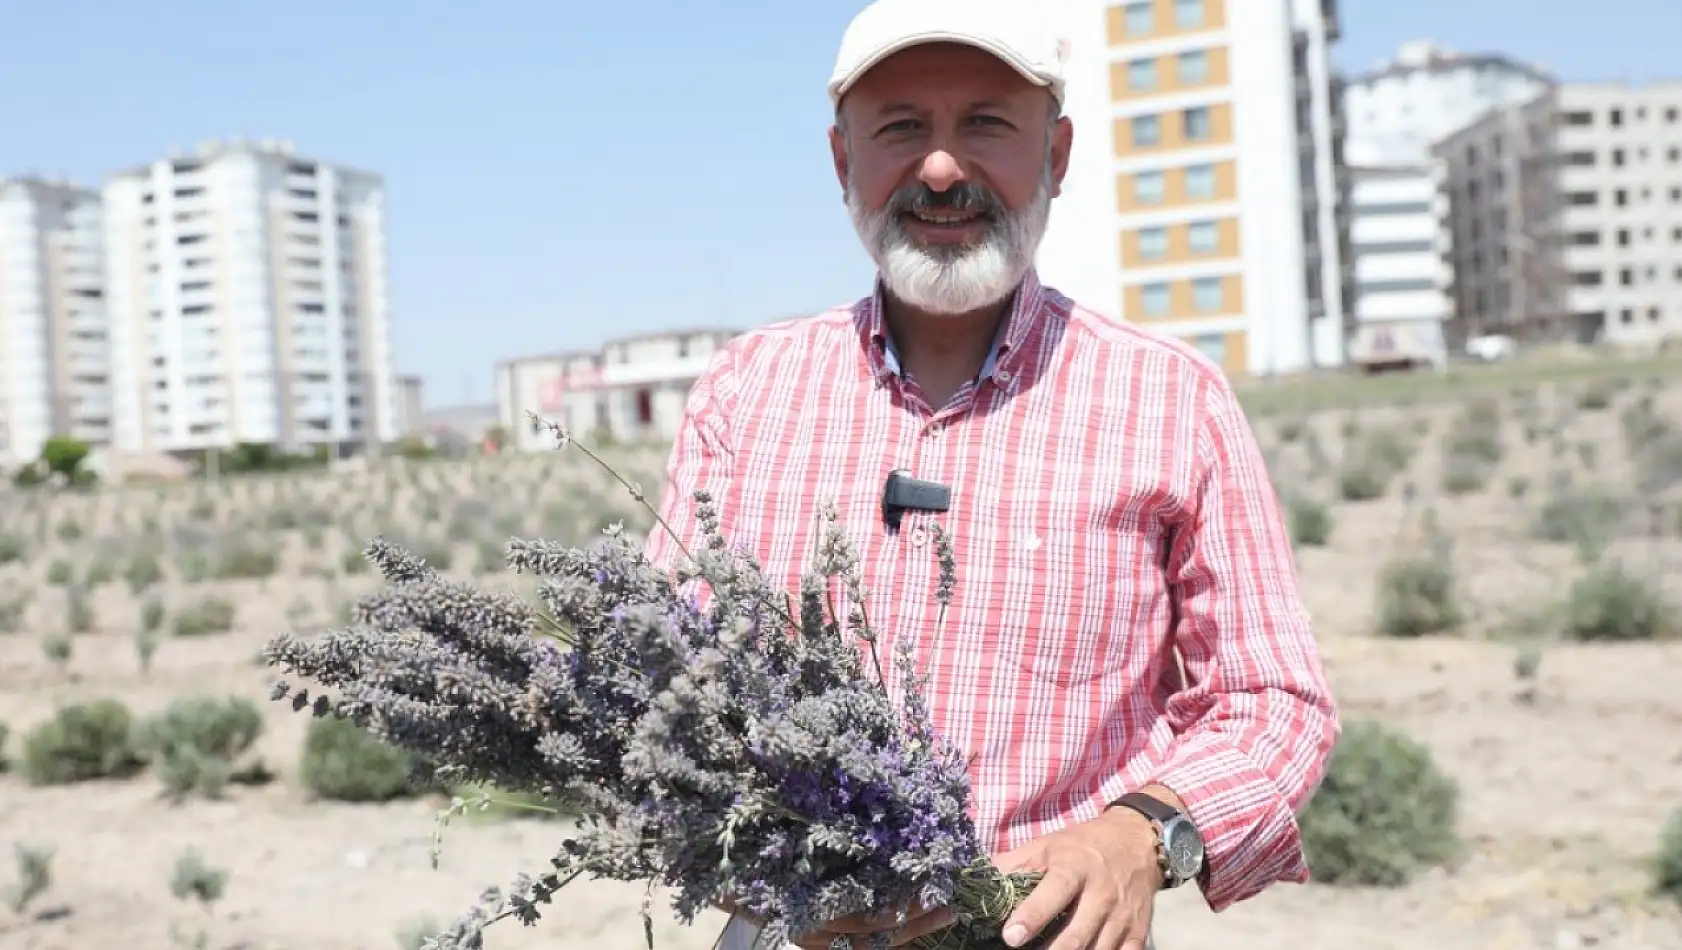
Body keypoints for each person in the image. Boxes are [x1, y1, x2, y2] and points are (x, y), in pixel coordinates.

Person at [644, 0, 1341, 947]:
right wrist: (736, 845)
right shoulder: (748, 390)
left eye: (984, 123)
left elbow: (1275, 702)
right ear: (843, 161)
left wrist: (1143, 835)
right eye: (900, 128)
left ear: (1054, 155)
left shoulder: (1171, 400)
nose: (939, 167)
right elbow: (658, 676)